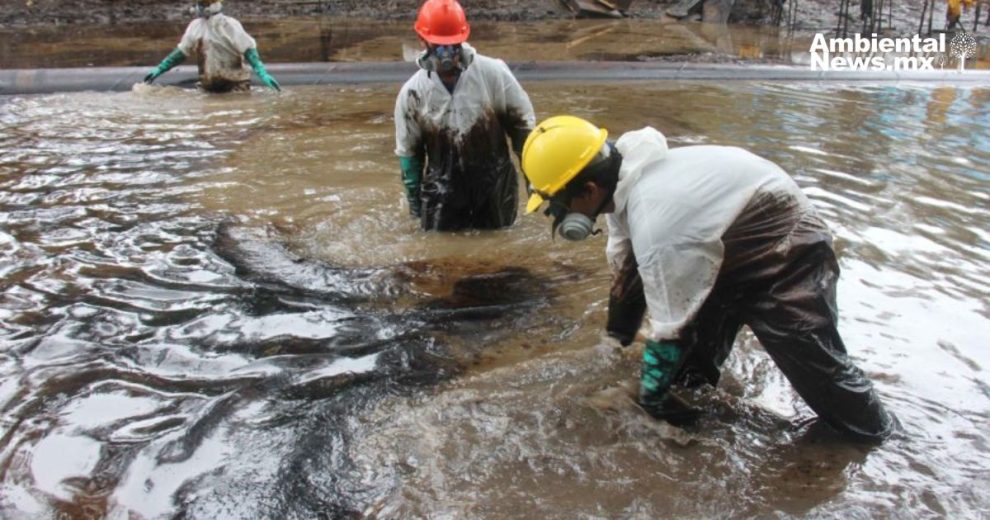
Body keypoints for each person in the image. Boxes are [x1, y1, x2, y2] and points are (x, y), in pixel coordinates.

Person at [521, 115, 895, 441]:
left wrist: (642, 394)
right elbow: (626, 266)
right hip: (725, 242)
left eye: (556, 204)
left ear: (588, 190)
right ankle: (689, 413)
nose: (555, 215)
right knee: (688, 370)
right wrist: (613, 341)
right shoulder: (622, 187)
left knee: (816, 366)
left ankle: (876, 436)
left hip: (785, 246)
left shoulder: (656, 220)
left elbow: (671, 328)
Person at [394, 0, 535, 231]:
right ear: (423, 41)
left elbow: (524, 130)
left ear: (463, 39)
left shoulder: (493, 73)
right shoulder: (413, 93)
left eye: (452, 45)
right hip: (441, 193)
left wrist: (533, 182)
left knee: (498, 247)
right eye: (438, 45)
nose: (446, 53)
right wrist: (415, 208)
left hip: (495, 188)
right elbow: (409, 156)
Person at [143, 0, 280, 92]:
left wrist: (262, 73)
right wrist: (161, 68)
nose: (199, 7)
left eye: (203, 4)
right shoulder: (195, 27)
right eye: (199, 3)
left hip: (235, 86)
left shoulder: (229, 25)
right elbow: (182, 51)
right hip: (208, 86)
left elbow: (248, 49)